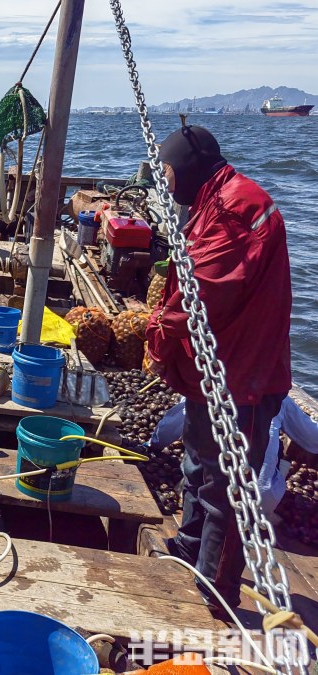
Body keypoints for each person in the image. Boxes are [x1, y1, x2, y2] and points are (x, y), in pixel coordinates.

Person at [145, 125, 292, 615]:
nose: (165, 184)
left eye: (166, 172)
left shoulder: (238, 206)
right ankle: (189, 551)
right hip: (216, 369)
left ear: (185, 168)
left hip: (240, 379)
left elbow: (201, 288)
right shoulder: (215, 197)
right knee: (198, 465)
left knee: (226, 487)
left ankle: (217, 591)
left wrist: (159, 339)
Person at [148, 396, 318, 516]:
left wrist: (151, 445)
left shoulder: (206, 384)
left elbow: (167, 431)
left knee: (197, 432)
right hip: (262, 503)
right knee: (273, 442)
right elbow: (313, 440)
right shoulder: (279, 398)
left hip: (203, 495)